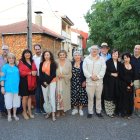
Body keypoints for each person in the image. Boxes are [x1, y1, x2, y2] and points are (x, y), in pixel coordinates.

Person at [83, 45, 106, 118]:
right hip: (90, 81)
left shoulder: (102, 59)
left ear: (98, 51)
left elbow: (103, 69)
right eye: (93, 49)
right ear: (90, 50)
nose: (94, 51)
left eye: (96, 49)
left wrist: (98, 77)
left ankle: (98, 111)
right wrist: (90, 76)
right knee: (90, 97)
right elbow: (84, 69)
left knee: (98, 97)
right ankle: (90, 111)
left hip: (99, 82)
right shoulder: (86, 59)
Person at [1, 53, 20, 122]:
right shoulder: (4, 67)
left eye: (13, 58)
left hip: (17, 88)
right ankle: (9, 114)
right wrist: (2, 87)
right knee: (8, 102)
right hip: (8, 88)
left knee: (16, 102)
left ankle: (14, 114)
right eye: (10, 58)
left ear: (14, 59)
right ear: (8, 59)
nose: (11, 59)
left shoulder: (17, 67)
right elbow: (2, 77)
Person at [18, 49, 37, 120]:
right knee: (25, 97)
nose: (27, 54)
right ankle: (24, 112)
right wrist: (30, 73)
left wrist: (34, 72)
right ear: (23, 54)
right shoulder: (21, 61)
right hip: (24, 81)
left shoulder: (32, 61)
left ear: (30, 54)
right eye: (25, 53)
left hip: (32, 81)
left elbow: (35, 69)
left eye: (28, 53)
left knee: (30, 97)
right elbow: (21, 72)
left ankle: (29, 111)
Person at [39, 50, 57, 121]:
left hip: (52, 81)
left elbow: (53, 74)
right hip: (43, 83)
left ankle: (53, 113)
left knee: (51, 97)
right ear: (43, 56)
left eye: (48, 55)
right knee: (45, 97)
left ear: (50, 56)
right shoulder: (41, 63)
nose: (46, 56)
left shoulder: (53, 63)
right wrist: (44, 82)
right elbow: (40, 74)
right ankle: (48, 111)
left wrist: (48, 82)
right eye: (45, 55)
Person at [103, 49, 121, 117]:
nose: (115, 55)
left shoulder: (119, 63)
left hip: (116, 83)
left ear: (118, 55)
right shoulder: (108, 62)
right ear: (111, 54)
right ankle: (109, 112)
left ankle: (114, 111)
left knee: (115, 96)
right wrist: (112, 74)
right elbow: (105, 72)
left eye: (116, 54)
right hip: (109, 82)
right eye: (113, 54)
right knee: (108, 96)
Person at [56, 50, 72, 117]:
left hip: (65, 82)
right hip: (57, 82)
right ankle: (58, 110)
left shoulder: (69, 63)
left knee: (64, 96)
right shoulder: (56, 62)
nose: (62, 56)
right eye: (60, 55)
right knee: (57, 96)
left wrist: (63, 76)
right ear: (58, 56)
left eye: (63, 55)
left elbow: (70, 74)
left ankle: (63, 110)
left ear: (65, 55)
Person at [71, 51, 87, 116]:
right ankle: (75, 109)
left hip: (81, 82)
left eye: (78, 55)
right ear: (73, 57)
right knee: (74, 95)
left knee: (81, 95)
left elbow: (86, 73)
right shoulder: (71, 63)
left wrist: (85, 81)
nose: (77, 56)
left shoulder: (83, 63)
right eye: (75, 55)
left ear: (80, 56)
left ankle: (80, 109)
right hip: (73, 82)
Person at [119, 53, 134, 119]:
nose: (126, 59)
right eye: (125, 58)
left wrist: (132, 82)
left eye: (127, 57)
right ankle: (123, 113)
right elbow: (121, 76)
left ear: (130, 58)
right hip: (124, 85)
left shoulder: (132, 65)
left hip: (131, 84)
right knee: (124, 99)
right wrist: (128, 83)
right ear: (123, 59)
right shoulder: (121, 66)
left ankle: (129, 113)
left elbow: (134, 75)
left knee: (130, 99)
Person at [33, 44, 45, 114]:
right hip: (36, 77)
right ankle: (38, 108)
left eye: (38, 49)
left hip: (44, 77)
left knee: (44, 93)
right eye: (36, 49)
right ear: (34, 50)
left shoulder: (44, 57)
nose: (37, 50)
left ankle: (43, 107)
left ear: (40, 49)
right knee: (37, 93)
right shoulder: (32, 58)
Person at [0, 45, 9, 117]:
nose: (5, 50)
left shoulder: (9, 58)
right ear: (1, 50)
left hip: (8, 80)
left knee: (6, 95)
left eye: (6, 49)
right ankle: (2, 110)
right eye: (3, 49)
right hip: (1, 79)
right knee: (1, 95)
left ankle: (7, 109)